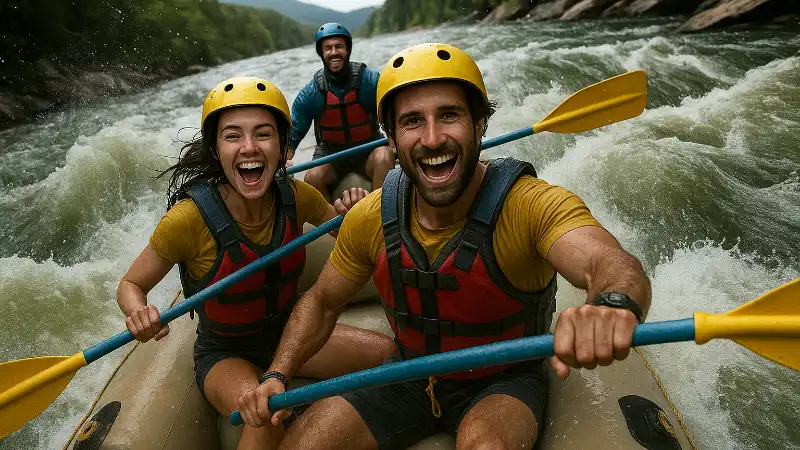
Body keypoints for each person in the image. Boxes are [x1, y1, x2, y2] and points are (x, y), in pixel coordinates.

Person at [239, 43, 652, 450]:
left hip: (502, 380)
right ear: (393, 140)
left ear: (479, 125)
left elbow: (606, 260)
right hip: (411, 370)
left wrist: (612, 304)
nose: (433, 138)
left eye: (450, 115)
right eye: (413, 121)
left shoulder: (527, 203)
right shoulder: (371, 216)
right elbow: (323, 302)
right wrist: (278, 372)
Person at [116, 76, 395, 450]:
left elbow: (347, 234)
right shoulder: (187, 220)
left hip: (288, 332)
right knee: (263, 412)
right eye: (232, 136)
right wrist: (138, 312)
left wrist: (351, 209)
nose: (249, 147)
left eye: (263, 134)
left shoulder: (298, 195)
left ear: (283, 148)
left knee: (388, 355)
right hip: (225, 353)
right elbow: (130, 285)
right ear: (216, 149)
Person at [288, 22, 395, 202]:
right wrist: (283, 160)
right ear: (321, 53)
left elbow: (394, 112)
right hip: (331, 153)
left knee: (385, 155)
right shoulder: (311, 93)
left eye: (339, 47)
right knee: (312, 178)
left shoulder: (369, 80)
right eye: (328, 48)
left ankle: (380, 213)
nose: (334, 52)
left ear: (348, 50)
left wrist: (395, 137)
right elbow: (293, 135)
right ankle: (337, 229)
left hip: (368, 147)